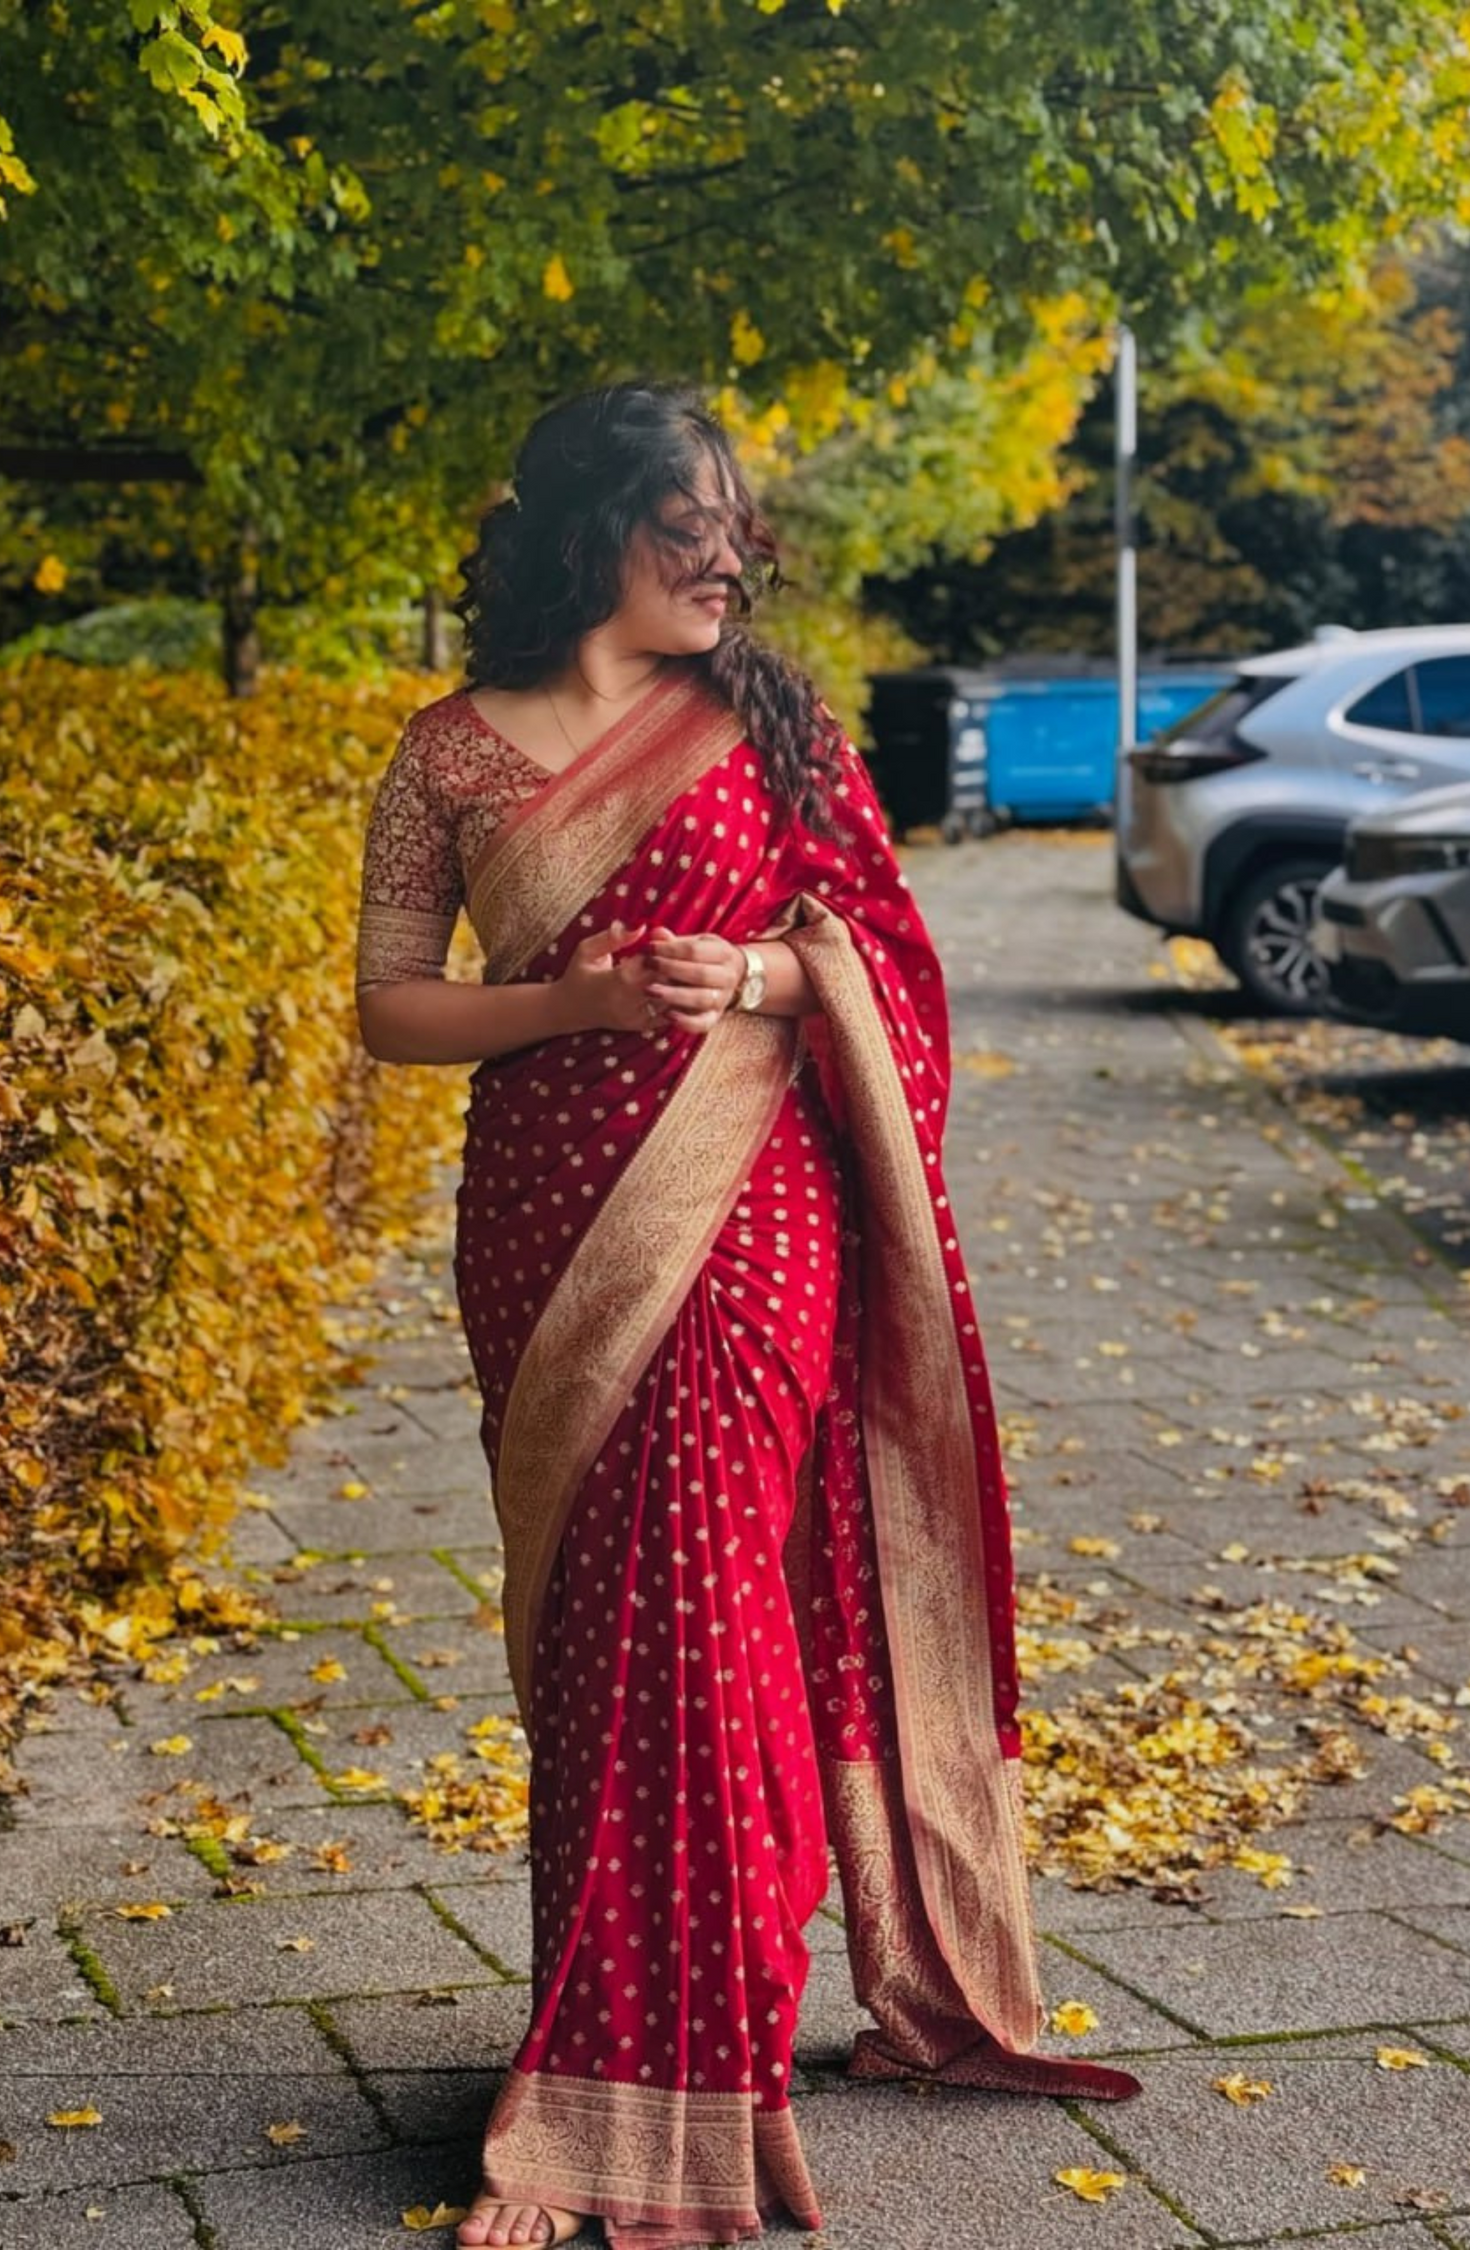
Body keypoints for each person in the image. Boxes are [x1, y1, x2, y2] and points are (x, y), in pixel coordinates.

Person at [354, 382, 1139, 2250]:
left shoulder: (772, 724)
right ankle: (638, 2036)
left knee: (708, 1616)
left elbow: (888, 956)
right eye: (683, 523)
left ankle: (658, 2084)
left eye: (733, 525)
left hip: (753, 1218)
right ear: (581, 533)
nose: (726, 556)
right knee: (608, 1643)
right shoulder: (446, 754)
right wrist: (584, 1006)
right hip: (546, 1230)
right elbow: (391, 1006)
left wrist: (773, 967)